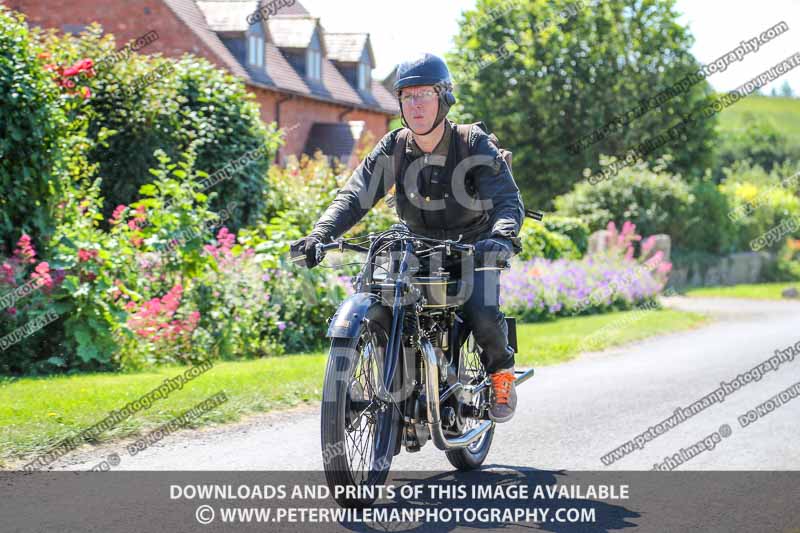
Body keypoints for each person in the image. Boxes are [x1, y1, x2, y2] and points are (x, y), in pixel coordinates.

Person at [292, 53, 525, 423]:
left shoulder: (471, 142)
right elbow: (354, 196)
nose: (414, 104)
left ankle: (501, 374)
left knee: (480, 311)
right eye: (407, 96)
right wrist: (320, 234)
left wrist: (501, 235)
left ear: (444, 97)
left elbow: (507, 199)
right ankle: (376, 377)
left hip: (473, 247)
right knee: (375, 291)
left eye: (424, 94)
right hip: (417, 245)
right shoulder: (394, 146)